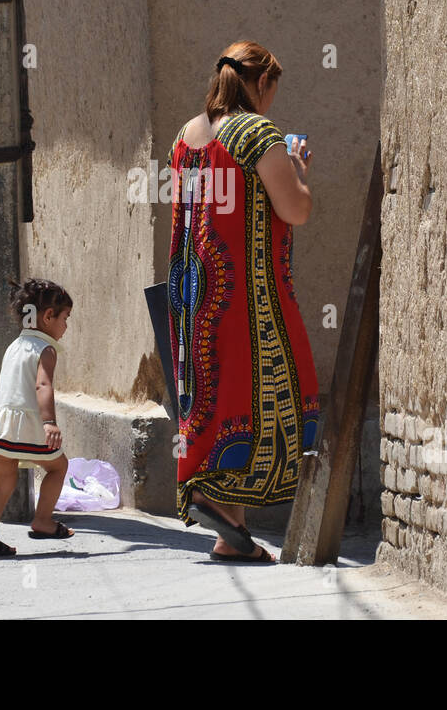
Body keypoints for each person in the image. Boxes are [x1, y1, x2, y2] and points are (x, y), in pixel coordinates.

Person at [168, 40, 319, 563]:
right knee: (269, 394)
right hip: (251, 293)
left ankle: (227, 529)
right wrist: (299, 168)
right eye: (273, 88)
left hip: (198, 294)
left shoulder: (186, 136)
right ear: (262, 84)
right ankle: (218, 503)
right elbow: (295, 209)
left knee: (218, 398)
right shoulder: (255, 131)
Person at [0, 278, 77, 557]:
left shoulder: (16, 345)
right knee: (58, 467)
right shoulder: (46, 349)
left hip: (2, 425)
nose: (66, 326)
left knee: (4, 482)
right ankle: (42, 521)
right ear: (48, 316)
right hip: (28, 424)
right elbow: (43, 385)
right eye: (65, 318)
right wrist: (49, 422)